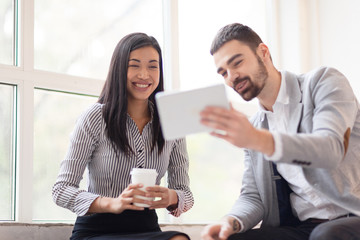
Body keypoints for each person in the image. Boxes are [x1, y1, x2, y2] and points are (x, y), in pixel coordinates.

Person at [200, 23, 360, 240]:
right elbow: (253, 196)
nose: (232, 76)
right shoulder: (255, 125)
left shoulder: (324, 82)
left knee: (327, 235)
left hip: (352, 216)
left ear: (263, 53)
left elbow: (330, 149)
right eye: (223, 73)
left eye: (237, 62)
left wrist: (257, 139)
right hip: (302, 227)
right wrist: (230, 221)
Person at [52, 32, 194, 240]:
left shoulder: (171, 121)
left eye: (153, 66)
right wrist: (113, 203)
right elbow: (61, 190)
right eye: (134, 65)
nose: (144, 75)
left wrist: (171, 197)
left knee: (178, 238)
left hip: (147, 229)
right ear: (119, 69)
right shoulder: (95, 117)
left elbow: (186, 194)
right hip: (97, 231)